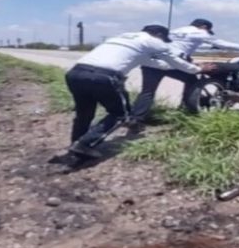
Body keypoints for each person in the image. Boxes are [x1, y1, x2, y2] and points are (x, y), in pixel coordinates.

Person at [64, 24, 211, 159]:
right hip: (104, 77)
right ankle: (84, 144)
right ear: (159, 35)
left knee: (84, 113)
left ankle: (75, 146)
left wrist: (174, 66)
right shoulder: (153, 41)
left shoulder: (123, 37)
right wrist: (197, 69)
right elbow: (173, 59)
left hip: (75, 73)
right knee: (120, 114)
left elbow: (158, 64)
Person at [129, 18, 239, 124]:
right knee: (191, 79)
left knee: (147, 91)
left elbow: (189, 45)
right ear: (204, 26)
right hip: (174, 62)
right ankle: (186, 108)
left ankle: (136, 119)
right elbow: (220, 43)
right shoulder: (200, 32)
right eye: (208, 30)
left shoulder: (175, 31)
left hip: (153, 62)